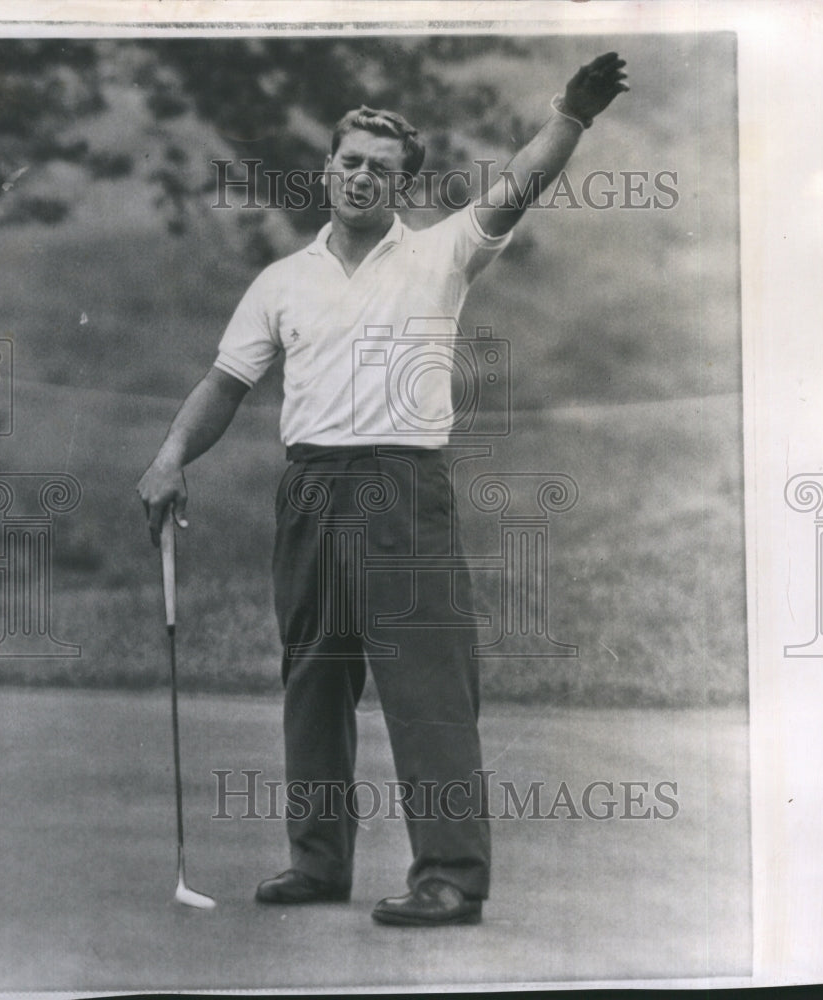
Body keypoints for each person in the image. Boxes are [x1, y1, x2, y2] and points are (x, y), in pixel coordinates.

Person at [137, 51, 628, 926]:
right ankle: (318, 862)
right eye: (350, 160)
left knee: (427, 684)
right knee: (314, 679)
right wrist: (173, 453)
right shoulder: (281, 281)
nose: (362, 176)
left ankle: (448, 875)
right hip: (313, 489)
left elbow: (517, 185)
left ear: (406, 185)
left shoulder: (443, 253)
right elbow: (225, 383)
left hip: (403, 486)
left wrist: (571, 118)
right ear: (329, 168)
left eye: (382, 168)